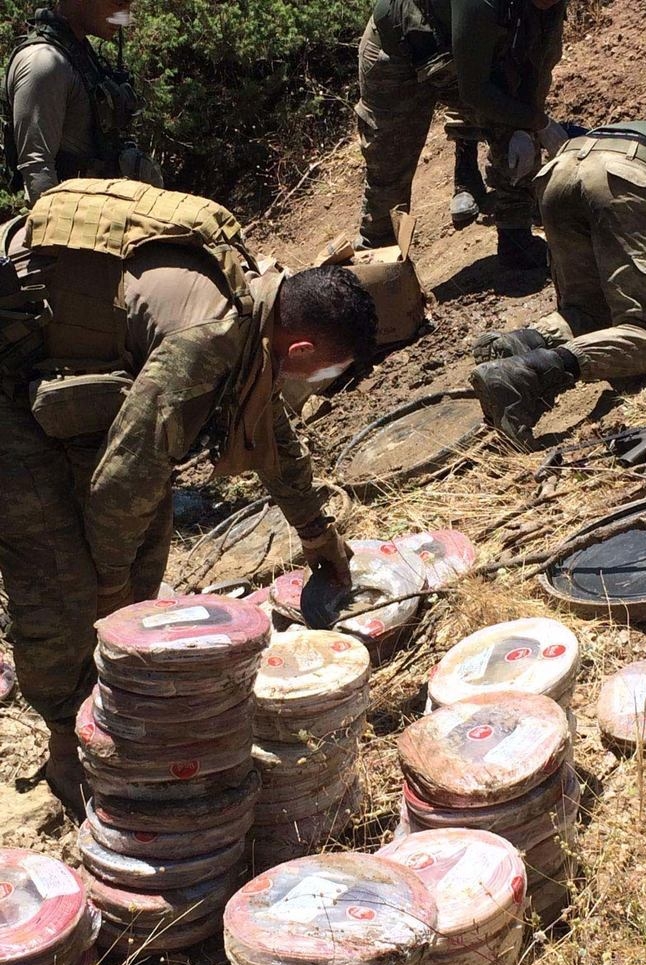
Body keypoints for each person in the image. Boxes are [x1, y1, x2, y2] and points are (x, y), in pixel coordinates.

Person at [0, 178, 377, 814]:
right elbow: (123, 481)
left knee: (137, 545)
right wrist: (109, 594)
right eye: (326, 371)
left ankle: (110, 693)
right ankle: (67, 742)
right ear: (304, 346)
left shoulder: (258, 306)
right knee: (57, 572)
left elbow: (270, 435)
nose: (320, 381)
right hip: (7, 380)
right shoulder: (208, 336)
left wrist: (319, 533)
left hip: (60, 364)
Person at [470, 116, 646, 446]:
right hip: (623, 180)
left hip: (563, 167)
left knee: (593, 312)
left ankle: (522, 342)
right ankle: (529, 376)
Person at [355, 0, 568, 268]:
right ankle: (377, 270)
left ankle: (516, 236)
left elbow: (535, 64)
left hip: (464, 48)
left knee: (513, 120)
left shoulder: (550, 5)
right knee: (390, 164)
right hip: (397, 49)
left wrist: (526, 125)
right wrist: (539, 123)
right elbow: (476, 91)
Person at [3, 0, 161, 206]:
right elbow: (36, 167)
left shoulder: (79, 53)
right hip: (73, 222)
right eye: (118, 4)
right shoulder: (43, 62)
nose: (125, 17)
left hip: (99, 212)